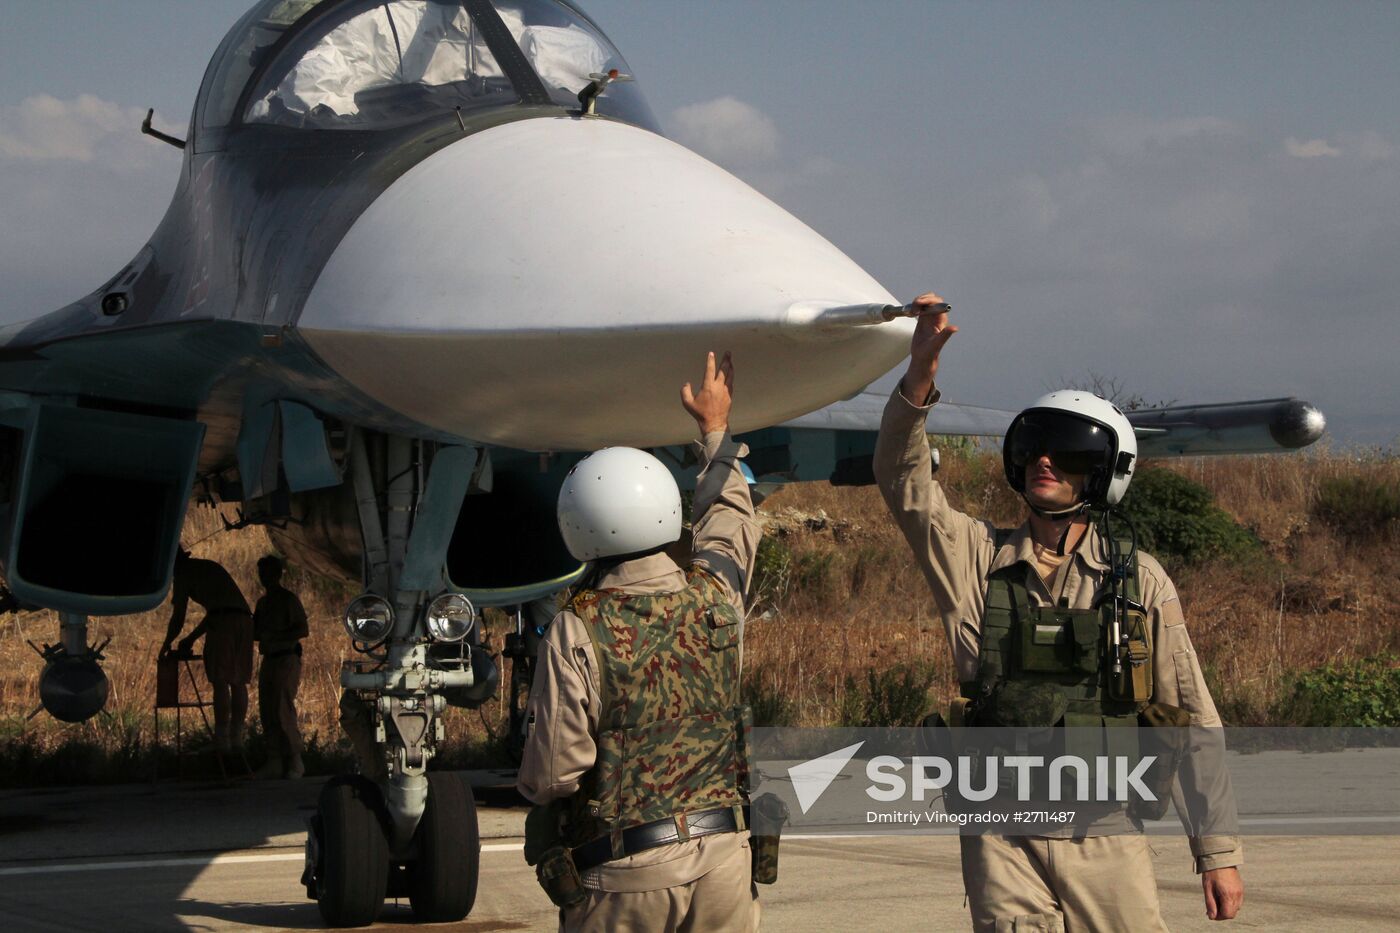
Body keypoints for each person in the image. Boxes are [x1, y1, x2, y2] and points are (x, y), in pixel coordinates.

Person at [873, 294, 1245, 930]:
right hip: (1001, 837)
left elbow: (1191, 716)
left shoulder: (1139, 581)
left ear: (1103, 474)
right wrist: (918, 379)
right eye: (1037, 447)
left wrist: (1217, 851)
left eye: (1068, 452)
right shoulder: (974, 557)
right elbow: (903, 482)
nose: (1045, 460)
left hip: (1105, 832)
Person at [517, 351, 762, 933]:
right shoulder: (717, 598)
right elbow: (731, 518)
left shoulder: (577, 629)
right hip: (725, 862)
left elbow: (553, 774)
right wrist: (715, 429)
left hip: (625, 876)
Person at [161, 548, 254, 756]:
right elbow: (219, 609)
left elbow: (179, 616)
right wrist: (190, 638)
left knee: (220, 680)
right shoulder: (206, 566)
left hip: (224, 623)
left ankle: (222, 741)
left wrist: (166, 643)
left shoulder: (183, 574)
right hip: (245, 621)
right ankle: (236, 739)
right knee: (238, 681)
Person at [252, 555, 309, 779]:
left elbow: (302, 629)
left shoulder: (288, 599)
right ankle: (274, 760)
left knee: (283, 708)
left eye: (268, 572)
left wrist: (277, 635)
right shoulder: (263, 603)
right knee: (267, 710)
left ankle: (296, 759)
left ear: (277, 574)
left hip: (286, 657)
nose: (264, 577)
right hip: (269, 658)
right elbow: (255, 631)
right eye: (262, 573)